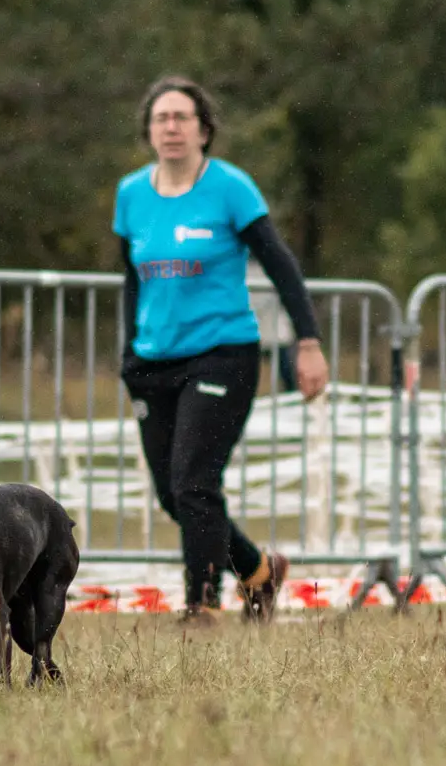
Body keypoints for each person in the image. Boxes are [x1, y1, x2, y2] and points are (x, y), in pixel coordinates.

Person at [112, 75, 330, 623]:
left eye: (182, 117)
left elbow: (282, 266)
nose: (172, 127)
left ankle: (201, 606)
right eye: (161, 118)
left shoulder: (230, 188)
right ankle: (258, 572)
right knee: (174, 495)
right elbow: (132, 279)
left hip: (223, 354)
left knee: (194, 482)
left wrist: (309, 343)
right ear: (149, 130)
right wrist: (128, 352)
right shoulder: (131, 194)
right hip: (153, 361)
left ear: (204, 129)